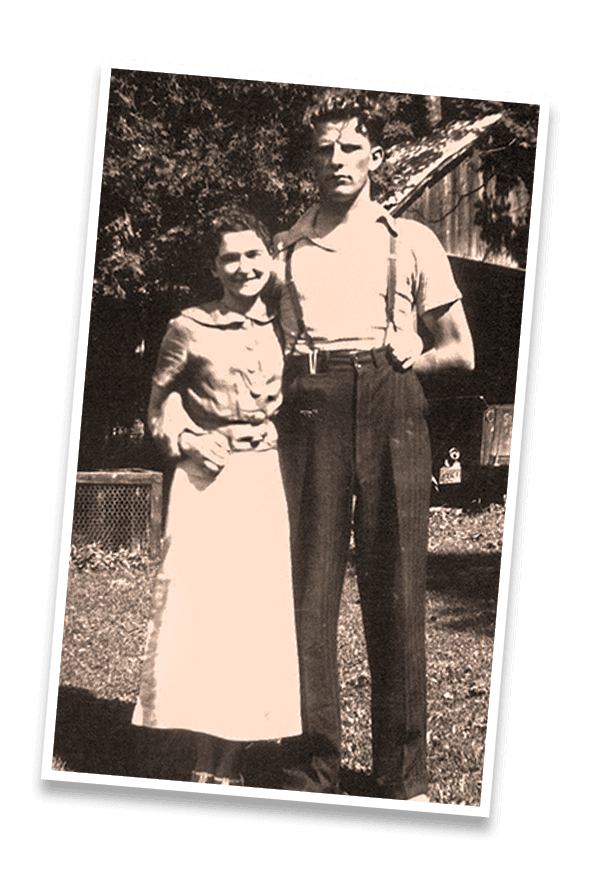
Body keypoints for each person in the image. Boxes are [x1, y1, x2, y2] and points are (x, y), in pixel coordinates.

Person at [273, 88, 475, 800]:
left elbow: (461, 352)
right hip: (310, 410)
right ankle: (310, 768)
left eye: (350, 147)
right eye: (324, 150)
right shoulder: (282, 250)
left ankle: (403, 777)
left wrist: (409, 355)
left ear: (374, 156)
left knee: (396, 593)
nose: (336, 160)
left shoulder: (410, 239)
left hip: (393, 402)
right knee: (309, 594)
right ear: (310, 162)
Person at [131, 207, 302, 786]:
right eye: (230, 257)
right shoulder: (188, 326)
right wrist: (185, 441)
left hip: (266, 480)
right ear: (215, 266)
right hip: (207, 482)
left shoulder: (289, 326)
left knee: (253, 618)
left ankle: (235, 757)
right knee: (205, 616)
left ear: (269, 258)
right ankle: (206, 760)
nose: (243, 267)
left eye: (254, 254)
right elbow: (156, 407)